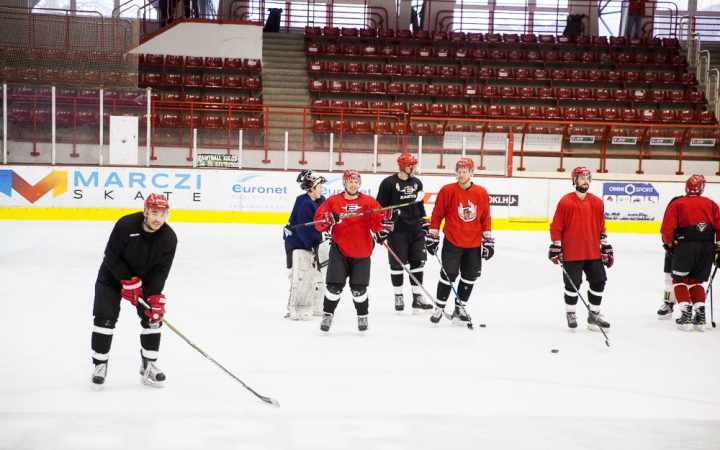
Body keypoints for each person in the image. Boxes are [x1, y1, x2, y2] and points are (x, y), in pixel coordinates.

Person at [90, 194, 177, 388]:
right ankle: (100, 365)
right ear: (145, 211)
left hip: (145, 282)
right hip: (111, 278)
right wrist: (127, 280)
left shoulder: (169, 238)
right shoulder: (126, 225)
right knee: (104, 320)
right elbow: (111, 256)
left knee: (153, 319)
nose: (158, 219)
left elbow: (161, 271)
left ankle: (149, 365)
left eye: (163, 214)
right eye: (154, 213)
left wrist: (154, 295)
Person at [313, 170, 394, 333]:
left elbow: (377, 224)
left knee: (359, 289)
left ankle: (362, 316)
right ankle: (327, 315)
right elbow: (319, 222)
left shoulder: (369, 202)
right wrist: (328, 218)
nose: (353, 184)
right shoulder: (333, 201)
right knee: (334, 287)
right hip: (339, 250)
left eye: (356, 182)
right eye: (350, 181)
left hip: (362, 251)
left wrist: (385, 221)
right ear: (344, 183)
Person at [424, 157, 493, 325]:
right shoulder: (447, 190)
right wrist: (433, 235)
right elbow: (437, 214)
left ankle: (460, 308)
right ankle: (439, 307)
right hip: (452, 242)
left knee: (469, 276)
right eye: (459, 172)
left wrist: (488, 240)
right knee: (448, 275)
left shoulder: (481, 192)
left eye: (465, 172)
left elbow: (485, 217)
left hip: (474, 244)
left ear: (471, 173)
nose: (461, 175)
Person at [548, 166, 613, 332]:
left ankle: (594, 316)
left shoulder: (597, 202)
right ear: (574, 180)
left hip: (593, 253)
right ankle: (571, 313)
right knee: (573, 284)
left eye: (587, 177)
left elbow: (601, 228)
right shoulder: (566, 202)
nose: (585, 180)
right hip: (572, 253)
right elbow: (556, 227)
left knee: (599, 281)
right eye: (581, 177)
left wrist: (604, 246)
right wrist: (556, 246)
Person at [660, 174, 720, 332]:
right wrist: (718, 247)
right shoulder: (711, 204)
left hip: (686, 246)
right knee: (696, 281)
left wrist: (669, 244)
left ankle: (686, 314)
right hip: (707, 247)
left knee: (679, 280)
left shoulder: (678, 203)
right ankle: (700, 316)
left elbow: (667, 229)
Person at [376, 153, 433, 314]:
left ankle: (417, 299)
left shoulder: (417, 183)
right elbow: (380, 207)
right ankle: (398, 296)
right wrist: (382, 227)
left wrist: (424, 221)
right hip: (397, 231)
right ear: (406, 167)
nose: (415, 169)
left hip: (416, 231)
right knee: (397, 265)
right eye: (413, 166)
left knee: (418, 263)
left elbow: (420, 205)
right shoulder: (388, 183)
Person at [283, 170, 327, 320]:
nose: (322, 188)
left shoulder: (320, 200)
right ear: (311, 187)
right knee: (301, 275)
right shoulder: (305, 203)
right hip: (297, 244)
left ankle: (314, 304)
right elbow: (304, 232)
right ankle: (297, 306)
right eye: (319, 185)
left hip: (309, 240)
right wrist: (316, 245)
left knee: (316, 274)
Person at [657, 195, 682, 320]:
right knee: (669, 277)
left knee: (690, 280)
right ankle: (668, 303)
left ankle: (689, 308)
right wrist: (668, 245)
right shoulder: (674, 204)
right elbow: (666, 228)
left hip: (688, 248)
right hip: (673, 247)